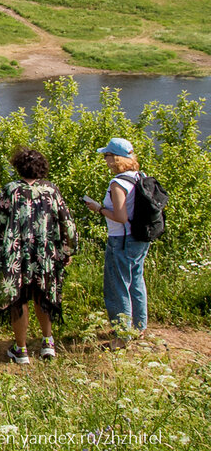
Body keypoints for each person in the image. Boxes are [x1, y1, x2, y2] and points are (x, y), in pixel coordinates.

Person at [0, 147, 77, 364]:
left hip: (16, 255)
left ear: (19, 166)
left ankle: (21, 350)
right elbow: (66, 223)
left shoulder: (11, 190)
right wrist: (68, 250)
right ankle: (47, 343)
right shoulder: (51, 191)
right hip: (45, 253)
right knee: (43, 295)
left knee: (18, 298)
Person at [85, 137, 149, 347]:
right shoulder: (139, 176)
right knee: (136, 282)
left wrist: (98, 208)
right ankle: (139, 327)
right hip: (140, 238)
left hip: (121, 240)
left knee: (117, 286)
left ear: (116, 159)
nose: (105, 160)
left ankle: (122, 337)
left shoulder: (118, 183)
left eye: (107, 156)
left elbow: (121, 216)